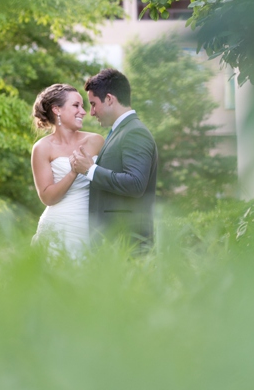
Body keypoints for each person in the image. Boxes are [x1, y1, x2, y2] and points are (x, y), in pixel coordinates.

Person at [69, 68, 158, 251]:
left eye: (93, 104)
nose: (91, 112)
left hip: (128, 243)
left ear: (109, 99)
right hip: (114, 242)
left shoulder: (135, 132)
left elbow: (135, 184)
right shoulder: (119, 132)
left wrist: (90, 170)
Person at [30, 84, 104, 258]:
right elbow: (48, 197)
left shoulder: (96, 141)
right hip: (58, 227)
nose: (83, 111)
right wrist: (73, 172)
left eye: (83, 106)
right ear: (57, 110)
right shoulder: (42, 148)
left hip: (92, 229)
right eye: (76, 105)